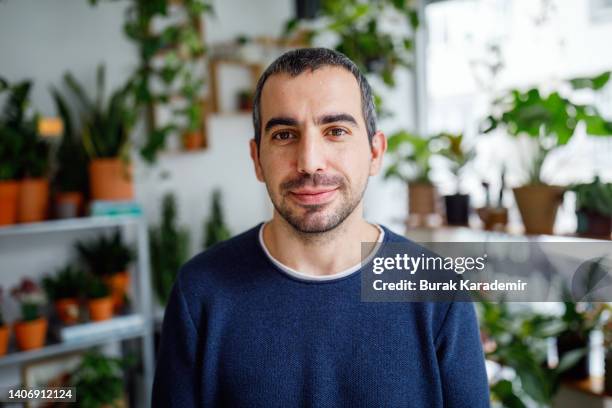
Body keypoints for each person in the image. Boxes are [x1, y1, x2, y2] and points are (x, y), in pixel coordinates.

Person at [152, 47, 489, 407]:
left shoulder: (439, 294)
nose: (310, 162)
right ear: (257, 159)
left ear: (375, 153)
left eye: (336, 130)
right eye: (284, 135)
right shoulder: (201, 292)